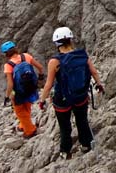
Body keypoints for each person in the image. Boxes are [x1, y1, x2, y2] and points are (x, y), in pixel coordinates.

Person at [38, 27, 105, 160]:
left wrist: (42, 100)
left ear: (57, 43)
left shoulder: (55, 61)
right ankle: (86, 144)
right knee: (82, 120)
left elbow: (49, 84)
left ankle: (66, 152)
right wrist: (99, 84)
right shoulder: (82, 55)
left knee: (65, 126)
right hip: (81, 96)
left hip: (62, 99)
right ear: (70, 39)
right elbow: (94, 72)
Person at [1, 40, 45, 138]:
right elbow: (40, 67)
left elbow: (10, 84)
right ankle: (23, 125)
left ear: (6, 54)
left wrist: (7, 96)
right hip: (31, 87)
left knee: (20, 111)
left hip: (19, 92)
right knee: (27, 106)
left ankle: (30, 131)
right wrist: (40, 78)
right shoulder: (26, 56)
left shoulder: (8, 65)